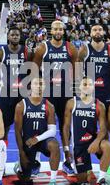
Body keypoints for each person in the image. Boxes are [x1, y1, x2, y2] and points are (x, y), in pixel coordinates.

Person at [33, 21, 78, 176]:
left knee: (66, 127)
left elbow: (77, 70)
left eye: (60, 28)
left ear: (63, 31)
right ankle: (35, 161)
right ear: (50, 31)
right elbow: (34, 70)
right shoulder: (42, 48)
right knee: (40, 126)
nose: (58, 31)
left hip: (65, 93)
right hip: (48, 93)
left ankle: (68, 160)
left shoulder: (70, 47)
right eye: (55, 28)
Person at [63, 77, 110, 185]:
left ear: (93, 87)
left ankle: (101, 180)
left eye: (89, 84)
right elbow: (66, 127)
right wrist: (66, 149)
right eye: (84, 84)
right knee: (82, 180)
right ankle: (77, 167)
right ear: (79, 87)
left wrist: (96, 142)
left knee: (107, 146)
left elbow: (103, 128)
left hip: (93, 141)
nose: (87, 86)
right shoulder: (72, 103)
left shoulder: (99, 105)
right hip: (78, 145)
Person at [13, 77, 61, 185]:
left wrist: (37, 139)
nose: (39, 86)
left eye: (41, 84)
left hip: (42, 140)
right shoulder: (21, 105)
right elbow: (17, 131)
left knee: (54, 145)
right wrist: (21, 153)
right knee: (25, 180)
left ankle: (53, 181)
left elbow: (53, 131)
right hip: (28, 143)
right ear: (31, 86)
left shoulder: (49, 105)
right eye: (36, 83)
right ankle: (19, 167)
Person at [0, 27, 27, 138]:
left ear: (20, 36)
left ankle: (26, 154)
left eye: (17, 35)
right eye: (12, 35)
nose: (15, 37)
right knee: (4, 126)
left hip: (22, 93)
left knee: (24, 127)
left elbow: (32, 71)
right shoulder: (0, 53)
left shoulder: (27, 52)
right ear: (8, 37)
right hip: (6, 94)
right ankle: (2, 152)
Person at [79, 24, 110, 110]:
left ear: (103, 32)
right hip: (89, 91)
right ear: (90, 33)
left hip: (106, 89)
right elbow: (78, 72)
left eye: (100, 29)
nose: (97, 32)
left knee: (107, 121)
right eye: (94, 30)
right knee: (89, 121)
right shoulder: (84, 49)